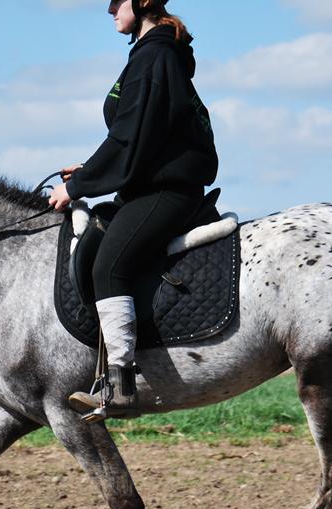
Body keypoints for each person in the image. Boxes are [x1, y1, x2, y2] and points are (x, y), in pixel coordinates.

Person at [49, 0, 218, 419]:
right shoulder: (151, 54)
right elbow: (142, 139)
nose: (109, 12)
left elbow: (130, 137)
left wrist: (80, 188)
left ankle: (121, 385)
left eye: (114, 3)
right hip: (151, 183)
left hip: (167, 190)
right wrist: (91, 170)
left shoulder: (155, 55)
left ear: (140, 3)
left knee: (110, 266)